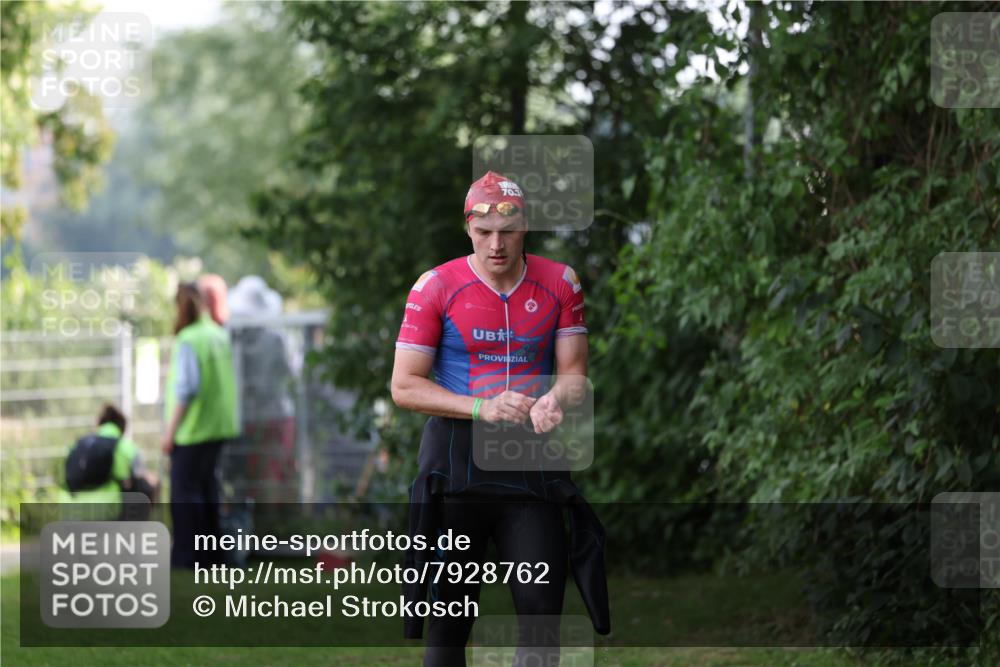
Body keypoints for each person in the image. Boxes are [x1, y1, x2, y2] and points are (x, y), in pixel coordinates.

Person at [391, 171, 610, 666]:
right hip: (456, 468)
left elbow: (574, 374)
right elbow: (404, 385)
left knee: (541, 617)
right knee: (448, 624)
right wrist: (480, 407)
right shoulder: (436, 285)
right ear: (468, 228)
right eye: (484, 231)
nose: (496, 244)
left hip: (530, 468)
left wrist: (556, 399)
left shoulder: (561, 282)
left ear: (524, 226)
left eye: (507, 232)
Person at [162, 282, 240, 568]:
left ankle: (188, 557)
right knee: (208, 491)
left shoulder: (188, 339)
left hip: (193, 430)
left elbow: (186, 389)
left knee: (185, 494)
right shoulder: (219, 334)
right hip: (220, 426)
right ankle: (212, 556)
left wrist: (169, 433)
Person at [59, 404, 159, 518]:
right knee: (145, 485)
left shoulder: (77, 444)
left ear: (99, 424)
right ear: (123, 428)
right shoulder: (125, 447)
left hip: (70, 512)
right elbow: (140, 477)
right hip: (105, 513)